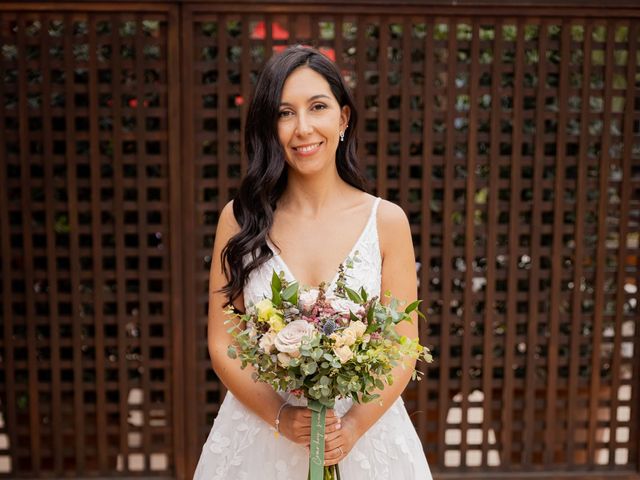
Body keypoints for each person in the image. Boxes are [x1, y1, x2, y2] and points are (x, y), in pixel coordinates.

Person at [193, 45, 433, 479]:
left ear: (342, 118)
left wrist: (355, 427)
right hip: (261, 436)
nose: (303, 128)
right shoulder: (239, 219)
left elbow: (402, 344)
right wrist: (281, 415)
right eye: (285, 113)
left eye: (317, 107)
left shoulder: (386, 221)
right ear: (270, 126)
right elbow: (223, 343)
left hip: (362, 438)